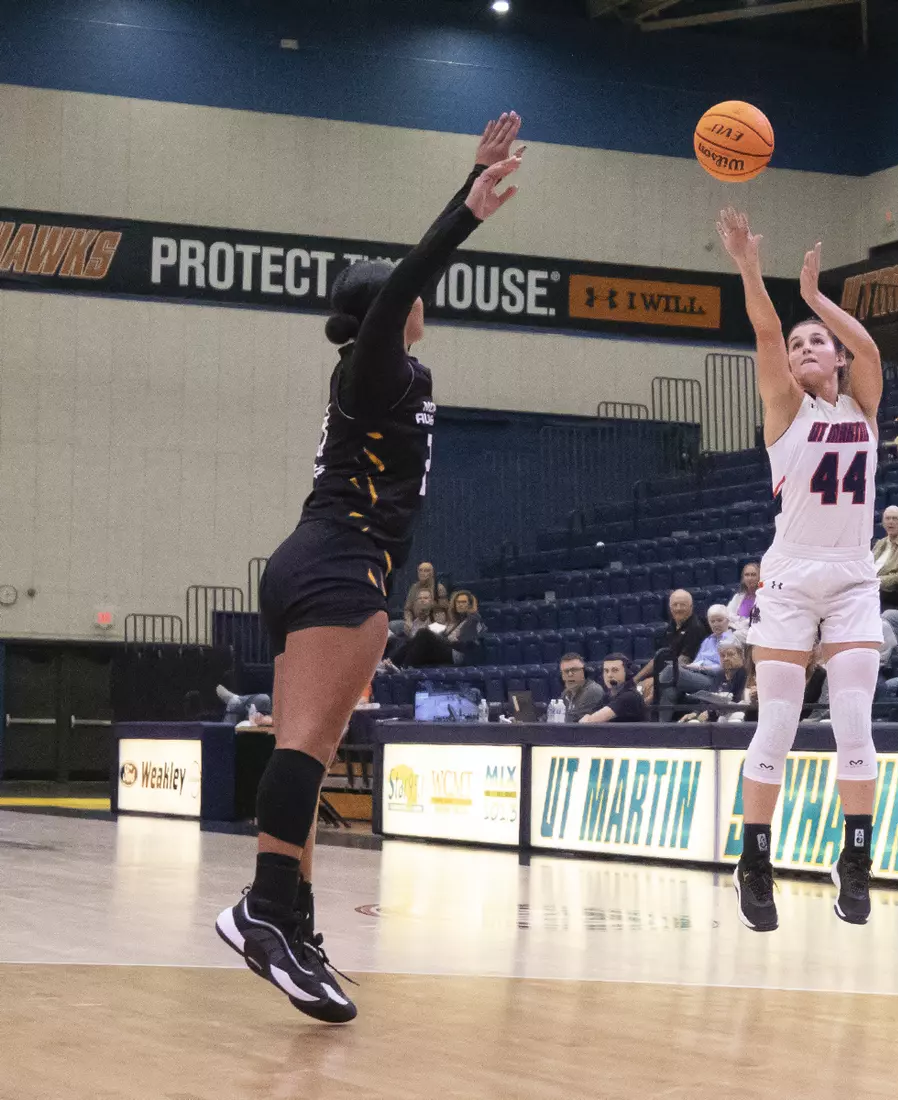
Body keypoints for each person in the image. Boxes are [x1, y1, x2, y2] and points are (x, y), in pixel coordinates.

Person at [214, 112, 524, 1023]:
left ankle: (294, 922)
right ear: (386, 308)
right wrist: (464, 209)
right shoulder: (375, 361)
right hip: (340, 562)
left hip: (315, 558)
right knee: (307, 748)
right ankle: (263, 910)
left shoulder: (381, 372)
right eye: (400, 294)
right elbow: (406, 284)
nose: (415, 300)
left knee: (303, 753)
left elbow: (401, 293)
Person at [716, 206, 885, 932]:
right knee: (779, 722)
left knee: (853, 718)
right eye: (798, 342)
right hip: (787, 578)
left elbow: (868, 347)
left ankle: (856, 858)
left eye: (818, 340)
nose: (807, 346)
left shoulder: (864, 405)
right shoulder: (785, 407)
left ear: (838, 357)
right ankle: (755, 862)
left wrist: (817, 299)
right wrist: (750, 267)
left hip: (852, 577)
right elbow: (763, 332)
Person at [657, 603, 736, 717]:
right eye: (712, 621)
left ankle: (657, 684)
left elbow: (724, 670)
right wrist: (690, 667)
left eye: (719, 620)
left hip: (715, 680)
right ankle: (663, 725)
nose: (716, 624)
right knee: (670, 690)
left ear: (727, 621)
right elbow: (698, 661)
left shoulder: (732, 640)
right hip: (698, 675)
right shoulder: (708, 640)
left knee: (670, 671)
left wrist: (701, 668)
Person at [636, 589, 709, 701]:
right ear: (670, 607)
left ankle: (649, 711)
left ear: (691, 607)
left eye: (682, 605)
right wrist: (635, 679)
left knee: (662, 691)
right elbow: (658, 658)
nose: (678, 608)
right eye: (675, 605)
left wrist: (656, 680)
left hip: (688, 676)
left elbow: (683, 661)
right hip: (668, 673)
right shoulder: (671, 627)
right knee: (638, 687)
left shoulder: (696, 628)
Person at [579, 654, 650, 724]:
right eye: (606, 671)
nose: (609, 675)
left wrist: (588, 718)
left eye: (615, 670)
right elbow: (588, 717)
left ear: (627, 673)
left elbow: (590, 722)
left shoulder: (630, 696)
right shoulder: (607, 696)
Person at [558, 653, 606, 722]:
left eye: (574, 670)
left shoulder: (593, 690)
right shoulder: (566, 693)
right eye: (566, 671)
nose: (570, 674)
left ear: (584, 672)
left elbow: (573, 721)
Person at [728, 562, 761, 631]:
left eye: (753, 575)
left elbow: (756, 620)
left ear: (759, 577)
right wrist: (742, 622)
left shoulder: (763, 597)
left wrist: (738, 620)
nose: (750, 578)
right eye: (747, 575)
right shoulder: (738, 596)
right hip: (735, 630)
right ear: (743, 578)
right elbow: (728, 615)